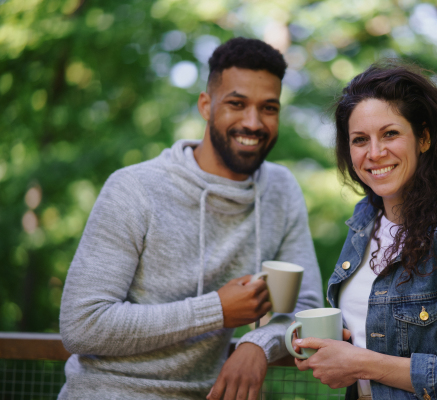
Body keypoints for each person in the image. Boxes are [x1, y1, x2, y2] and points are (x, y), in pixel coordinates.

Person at [58, 37, 323, 400]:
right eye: (236, 103)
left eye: (269, 108)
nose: (253, 122)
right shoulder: (134, 188)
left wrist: (258, 344)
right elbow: (81, 325)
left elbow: (307, 307)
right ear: (205, 105)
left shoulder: (281, 189)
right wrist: (216, 309)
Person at [293, 61, 437, 400]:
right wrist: (338, 354)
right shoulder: (363, 223)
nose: (374, 153)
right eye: (359, 140)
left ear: (424, 138)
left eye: (390, 134)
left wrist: (363, 364)